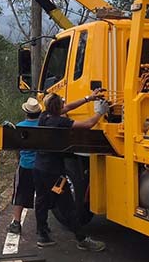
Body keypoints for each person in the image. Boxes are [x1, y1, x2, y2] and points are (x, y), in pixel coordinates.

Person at [34, 89, 107, 252]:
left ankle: (42, 235)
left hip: (39, 168)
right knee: (67, 204)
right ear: (58, 107)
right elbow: (87, 125)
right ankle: (82, 239)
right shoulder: (60, 123)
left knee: (41, 200)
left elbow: (68, 108)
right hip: (54, 173)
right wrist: (100, 113)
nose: (64, 106)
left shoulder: (44, 117)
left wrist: (89, 98)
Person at [7, 97, 41, 234]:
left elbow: (16, 147)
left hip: (25, 165)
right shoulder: (43, 125)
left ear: (26, 113)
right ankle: (42, 226)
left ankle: (16, 223)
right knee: (41, 196)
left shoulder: (20, 126)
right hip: (41, 165)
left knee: (20, 194)